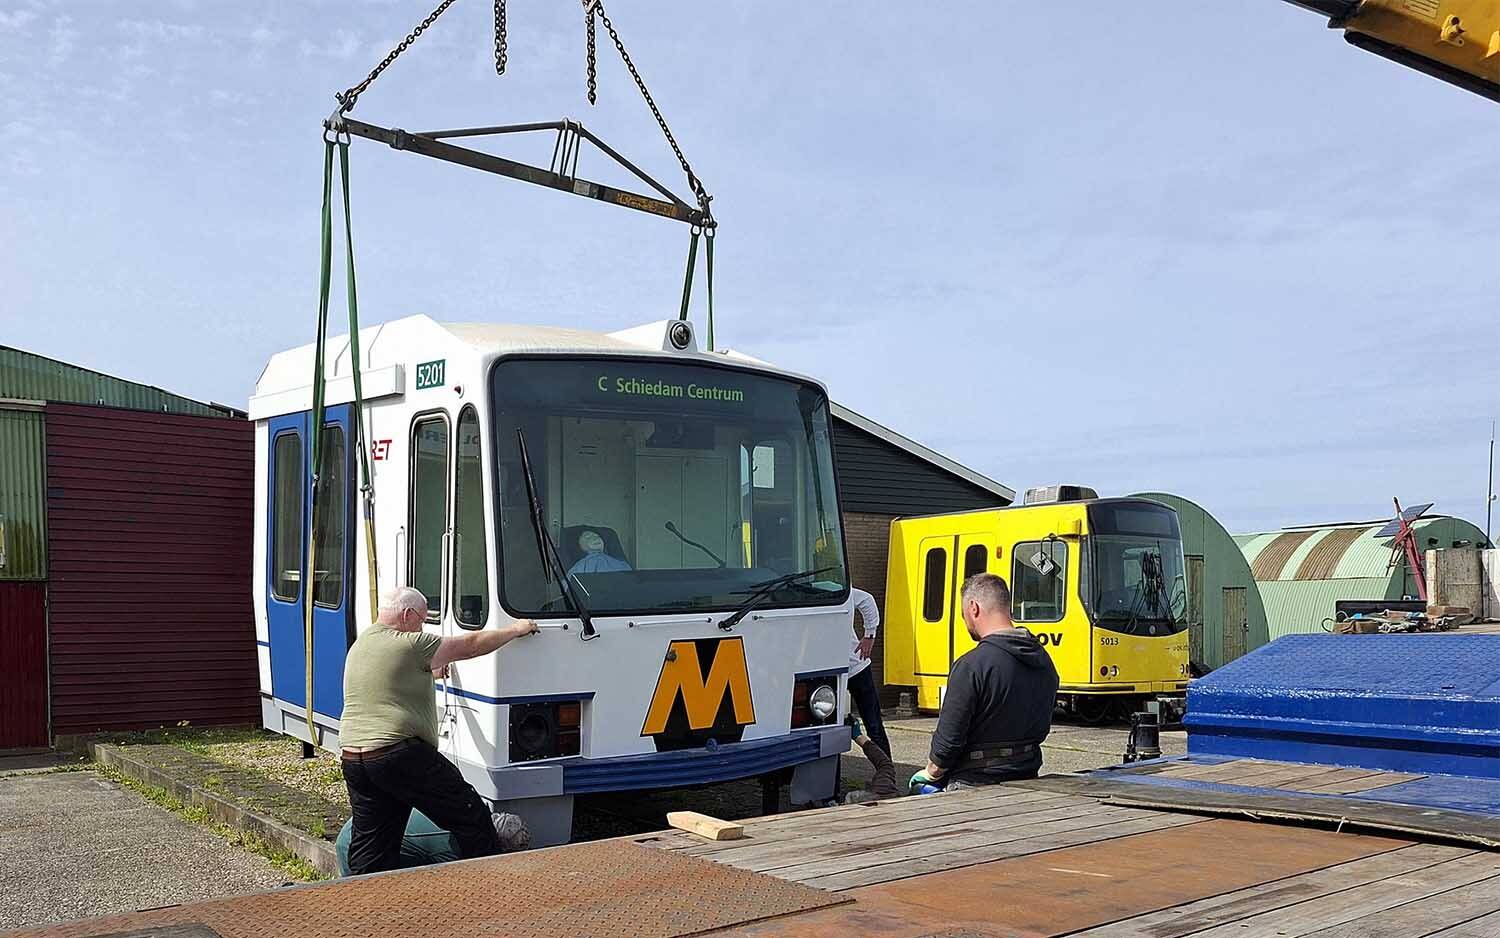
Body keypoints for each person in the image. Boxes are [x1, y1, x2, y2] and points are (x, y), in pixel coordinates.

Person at [340, 586, 539, 875]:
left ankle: (363, 901)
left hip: (356, 759)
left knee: (373, 840)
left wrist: (430, 672)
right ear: (408, 615)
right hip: (398, 754)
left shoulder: (364, 643)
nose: (422, 627)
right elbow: (471, 644)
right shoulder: (410, 643)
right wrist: (515, 630)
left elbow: (390, 678)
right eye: (421, 619)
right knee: (468, 812)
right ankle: (488, 883)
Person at [910, 573, 1058, 792]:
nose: (965, 620)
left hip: (972, 785)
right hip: (1027, 779)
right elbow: (1041, 728)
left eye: (963, 614)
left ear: (974, 608)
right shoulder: (1044, 660)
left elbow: (948, 743)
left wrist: (930, 773)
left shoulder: (971, 666)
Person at [846, 586, 891, 758]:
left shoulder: (834, 590)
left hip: (856, 666)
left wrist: (869, 635)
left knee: (873, 724)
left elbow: (866, 600)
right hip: (832, 669)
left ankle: (887, 771)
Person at [841, 722, 902, 804]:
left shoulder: (884, 792)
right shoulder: (885, 792)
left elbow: (885, 765)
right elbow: (885, 765)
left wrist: (858, 737)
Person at [567, 528, 632, 576]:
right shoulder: (580, 565)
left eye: (597, 536)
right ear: (579, 545)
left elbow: (632, 578)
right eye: (588, 537)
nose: (595, 538)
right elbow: (568, 585)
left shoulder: (621, 564)